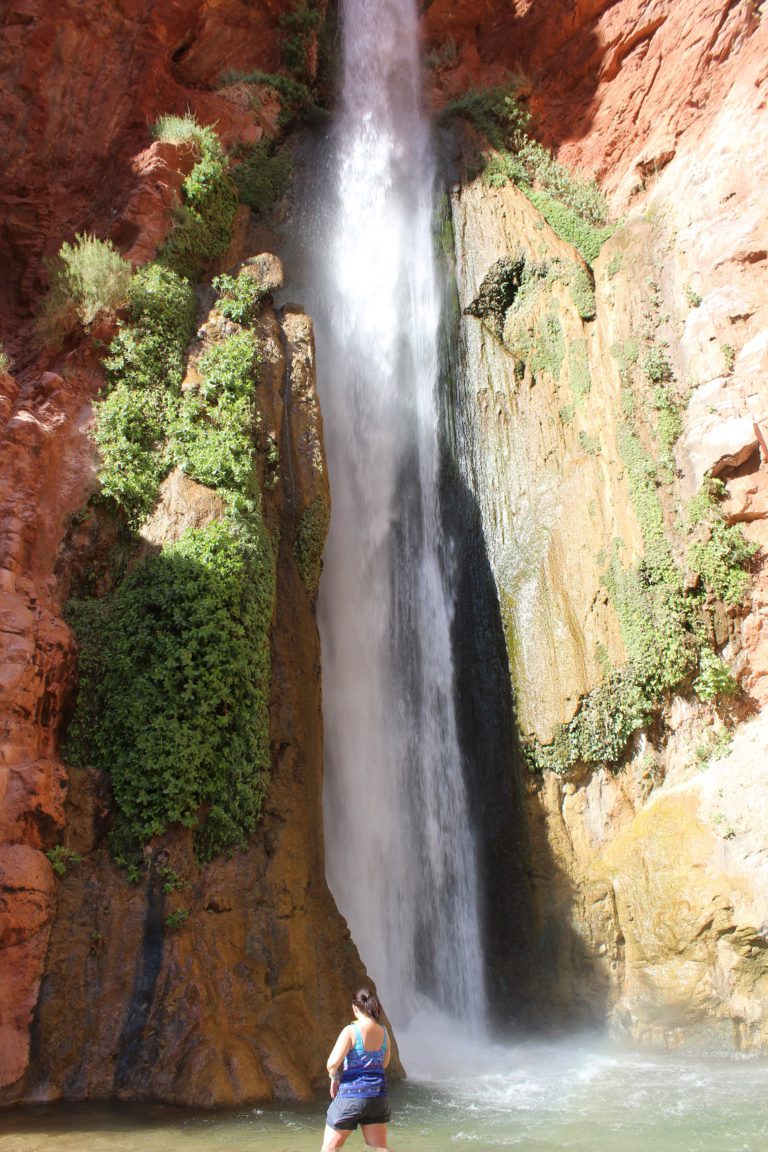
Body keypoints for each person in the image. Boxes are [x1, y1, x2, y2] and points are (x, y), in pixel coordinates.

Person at [321, 987, 392, 1151]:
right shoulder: (384, 1033)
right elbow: (384, 1063)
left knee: (330, 1148)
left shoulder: (351, 1031)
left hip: (351, 1097)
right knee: (380, 1148)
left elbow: (332, 1064)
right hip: (377, 1098)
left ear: (355, 1008)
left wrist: (334, 1078)